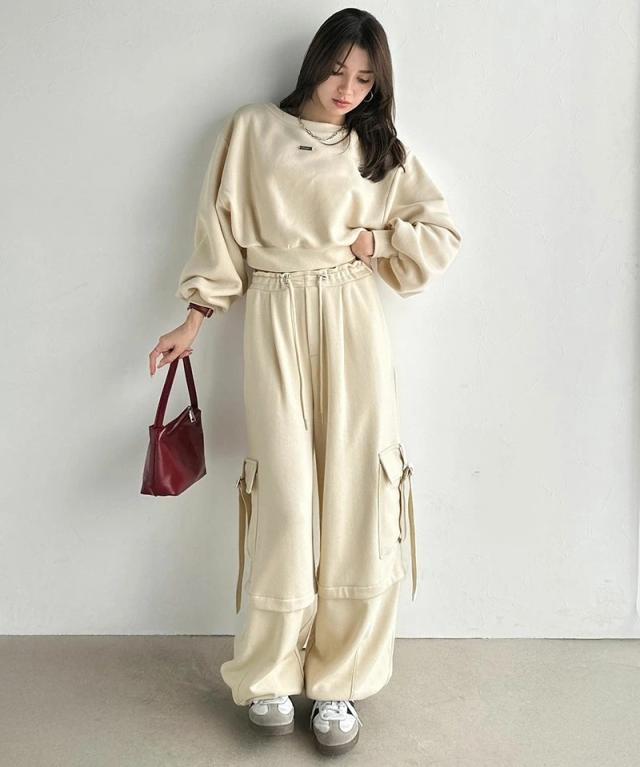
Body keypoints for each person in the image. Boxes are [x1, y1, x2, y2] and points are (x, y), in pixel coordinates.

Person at [148, 8, 462, 757]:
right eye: (338, 70)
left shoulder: (377, 148)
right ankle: (269, 672)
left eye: (365, 78)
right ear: (315, 62)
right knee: (286, 494)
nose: (347, 89)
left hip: (350, 312)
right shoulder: (252, 130)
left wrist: (376, 239)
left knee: (358, 489)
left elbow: (441, 233)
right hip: (275, 308)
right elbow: (219, 228)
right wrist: (193, 318)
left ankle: (338, 681)